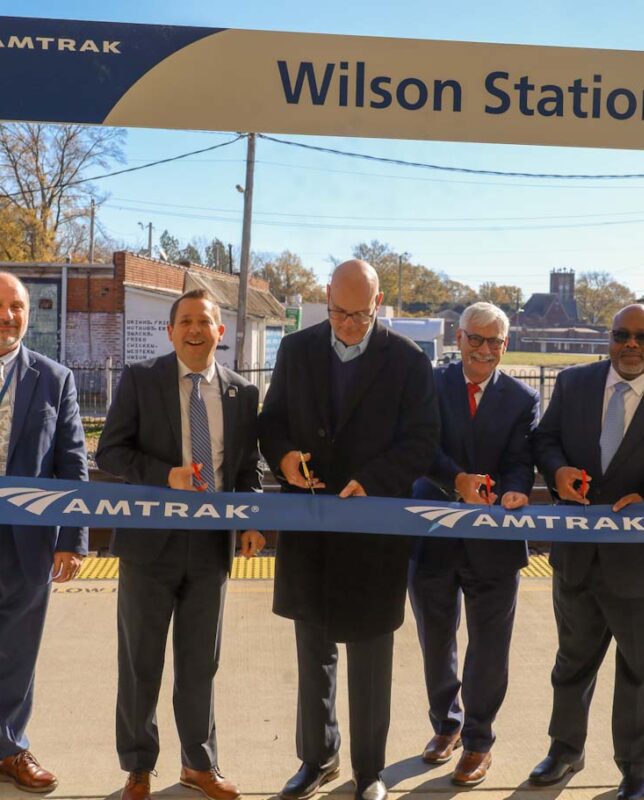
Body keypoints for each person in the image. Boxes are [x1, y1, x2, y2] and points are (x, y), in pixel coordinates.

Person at [258, 260, 439, 800]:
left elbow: (422, 440)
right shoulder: (296, 349)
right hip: (309, 526)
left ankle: (369, 772)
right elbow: (272, 423)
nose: (347, 324)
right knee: (312, 652)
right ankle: (316, 759)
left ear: (378, 303)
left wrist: (371, 480)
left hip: (372, 529)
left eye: (359, 315)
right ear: (326, 299)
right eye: (338, 312)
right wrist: (285, 459)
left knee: (370, 658)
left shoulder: (408, 360)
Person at [96, 289, 264, 800]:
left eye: (205, 322)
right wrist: (165, 476)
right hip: (148, 549)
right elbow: (111, 452)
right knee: (140, 662)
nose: (195, 330)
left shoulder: (241, 394)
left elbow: (245, 468)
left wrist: (253, 519)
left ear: (221, 333)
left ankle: (199, 763)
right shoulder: (141, 379)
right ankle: (138, 768)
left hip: (211, 548)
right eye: (185, 321)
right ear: (170, 332)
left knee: (199, 663)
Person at [531, 304, 644, 800]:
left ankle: (636, 770)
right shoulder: (575, 384)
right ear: (609, 337)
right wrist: (556, 472)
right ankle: (564, 750)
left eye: (643, 337)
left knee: (643, 673)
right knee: (572, 662)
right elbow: (545, 439)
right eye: (622, 334)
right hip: (578, 557)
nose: (632, 345)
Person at [408, 301, 538, 786]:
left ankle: (479, 740)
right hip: (434, 536)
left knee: (489, 647)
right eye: (476, 338)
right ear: (458, 338)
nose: (485, 349)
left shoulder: (523, 399)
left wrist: (516, 487)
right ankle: (447, 725)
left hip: (495, 544)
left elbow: (523, 457)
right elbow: (420, 447)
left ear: (506, 346)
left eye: (495, 342)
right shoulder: (431, 384)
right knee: (435, 639)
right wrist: (456, 480)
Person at [0, 271, 88, 793]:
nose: (7, 317)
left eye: (16, 306)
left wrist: (73, 539)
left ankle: (11, 748)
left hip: (27, 545)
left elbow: (73, 464)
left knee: (18, 652)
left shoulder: (55, 378)